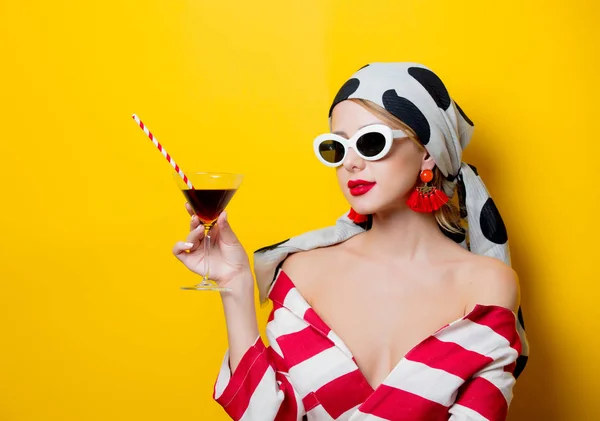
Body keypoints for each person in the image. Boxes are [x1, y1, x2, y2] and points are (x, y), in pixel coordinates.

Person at [173, 62, 529, 421]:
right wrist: (235, 285)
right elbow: (267, 414)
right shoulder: (302, 273)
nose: (351, 164)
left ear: (427, 151)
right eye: (336, 148)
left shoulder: (488, 283)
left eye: (371, 142)